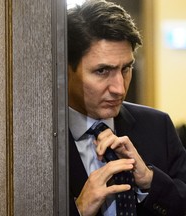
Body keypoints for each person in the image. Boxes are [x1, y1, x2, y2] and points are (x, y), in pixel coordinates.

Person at [67, 0, 186, 215]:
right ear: (65, 71)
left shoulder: (158, 126)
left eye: (126, 68)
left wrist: (150, 181)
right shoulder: (32, 143)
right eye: (102, 71)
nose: (120, 89)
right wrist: (78, 211)